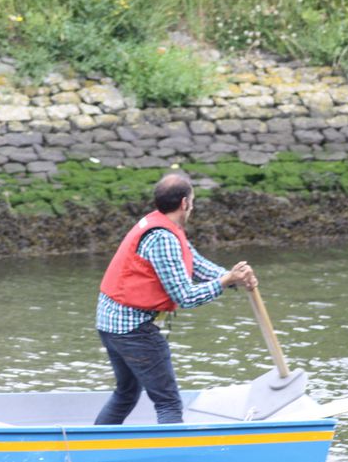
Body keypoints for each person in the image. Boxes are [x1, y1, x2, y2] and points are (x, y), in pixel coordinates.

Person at [94, 172, 258, 425]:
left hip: (112, 322)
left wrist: (232, 276)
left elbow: (195, 264)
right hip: (133, 329)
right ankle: (172, 458)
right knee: (168, 402)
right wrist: (224, 282)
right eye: (192, 201)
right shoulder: (163, 237)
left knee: (126, 392)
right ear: (185, 203)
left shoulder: (161, 225)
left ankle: (95, 449)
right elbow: (186, 296)